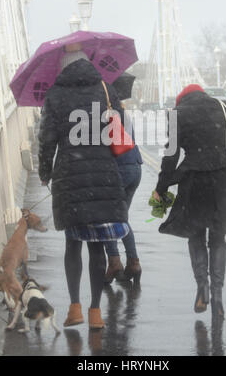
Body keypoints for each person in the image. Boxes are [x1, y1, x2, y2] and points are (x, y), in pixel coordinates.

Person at [38, 46, 129, 329]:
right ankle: (95, 312)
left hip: (70, 175)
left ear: (62, 67)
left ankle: (74, 307)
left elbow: (46, 140)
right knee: (99, 246)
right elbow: (120, 125)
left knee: (73, 243)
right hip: (103, 172)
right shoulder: (104, 89)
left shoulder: (55, 95)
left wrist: (45, 171)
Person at [153, 84, 226, 323]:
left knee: (196, 234)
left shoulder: (177, 115)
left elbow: (171, 156)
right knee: (217, 236)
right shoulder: (224, 106)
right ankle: (218, 297)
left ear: (181, 100)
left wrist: (162, 187)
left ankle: (202, 288)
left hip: (196, 180)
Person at [104, 114, 143, 285]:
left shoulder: (99, 113)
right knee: (121, 218)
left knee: (106, 219)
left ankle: (114, 262)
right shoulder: (120, 111)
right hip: (134, 167)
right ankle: (133, 262)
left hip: (117, 170)